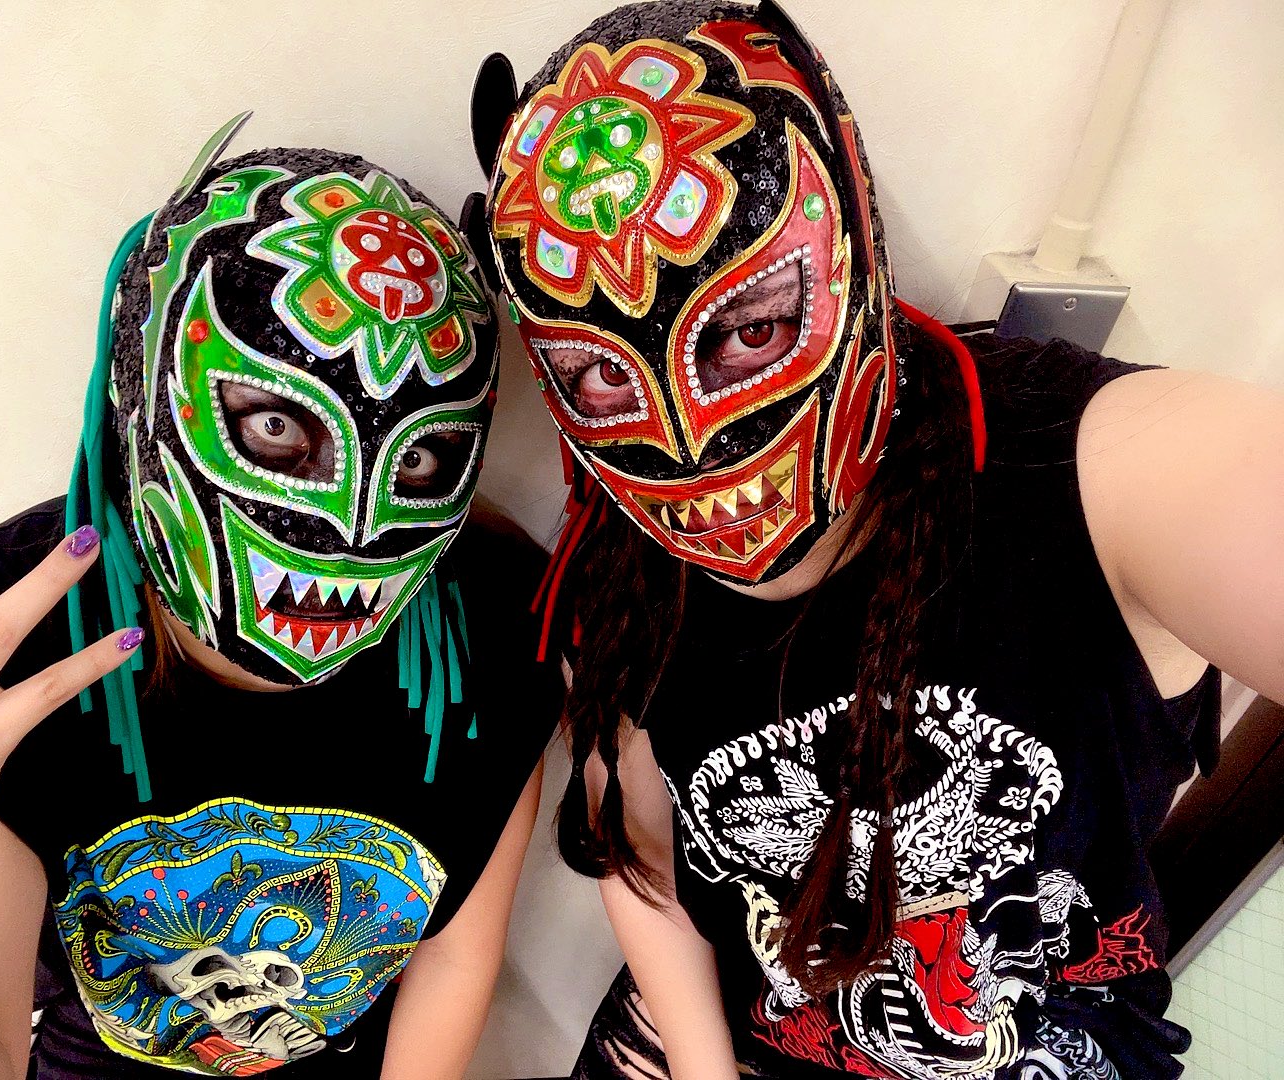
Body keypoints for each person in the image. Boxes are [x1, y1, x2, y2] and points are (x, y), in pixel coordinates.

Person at [472, 3, 1284, 1078]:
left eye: (754, 328)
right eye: (601, 375)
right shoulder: (619, 578)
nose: (689, 441)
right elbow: (645, 859)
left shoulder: (1106, 476)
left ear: (853, 245)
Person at [0, 116, 561, 1079]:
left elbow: (457, 956)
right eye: (274, 427)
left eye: (420, 456)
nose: (350, 529)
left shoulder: (498, 633)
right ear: (143, 395)